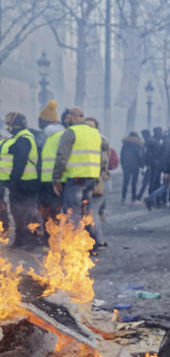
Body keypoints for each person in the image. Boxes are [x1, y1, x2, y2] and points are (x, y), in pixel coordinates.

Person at [52, 107, 101, 239]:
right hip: (91, 177)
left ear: (73, 117)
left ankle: (75, 242)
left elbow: (62, 156)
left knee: (73, 211)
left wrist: (56, 178)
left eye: (66, 117)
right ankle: (92, 241)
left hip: (76, 177)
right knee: (87, 211)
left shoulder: (71, 132)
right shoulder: (94, 133)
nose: (65, 120)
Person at [4, 112, 40, 248]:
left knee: (25, 213)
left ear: (15, 124)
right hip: (25, 183)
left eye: (9, 123)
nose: (8, 126)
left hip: (24, 184)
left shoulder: (23, 139)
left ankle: (30, 241)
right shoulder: (22, 137)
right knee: (20, 213)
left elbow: (19, 164)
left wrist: (13, 181)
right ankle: (21, 240)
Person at [37, 111, 65, 239]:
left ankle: (52, 240)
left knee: (52, 213)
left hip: (54, 181)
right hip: (53, 180)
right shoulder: (51, 138)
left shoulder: (54, 137)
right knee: (51, 212)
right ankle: (50, 239)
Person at [85, 117, 109, 250]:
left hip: (97, 180)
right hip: (91, 179)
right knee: (91, 211)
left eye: (91, 125)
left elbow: (103, 162)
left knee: (92, 211)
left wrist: (97, 178)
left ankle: (96, 240)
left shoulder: (100, 140)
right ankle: (98, 239)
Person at [120, 131, 144, 205]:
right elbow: (140, 156)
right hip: (135, 166)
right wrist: (142, 165)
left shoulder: (125, 145)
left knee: (125, 181)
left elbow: (121, 156)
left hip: (126, 165)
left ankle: (123, 197)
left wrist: (122, 165)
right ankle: (133, 197)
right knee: (134, 182)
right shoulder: (138, 145)